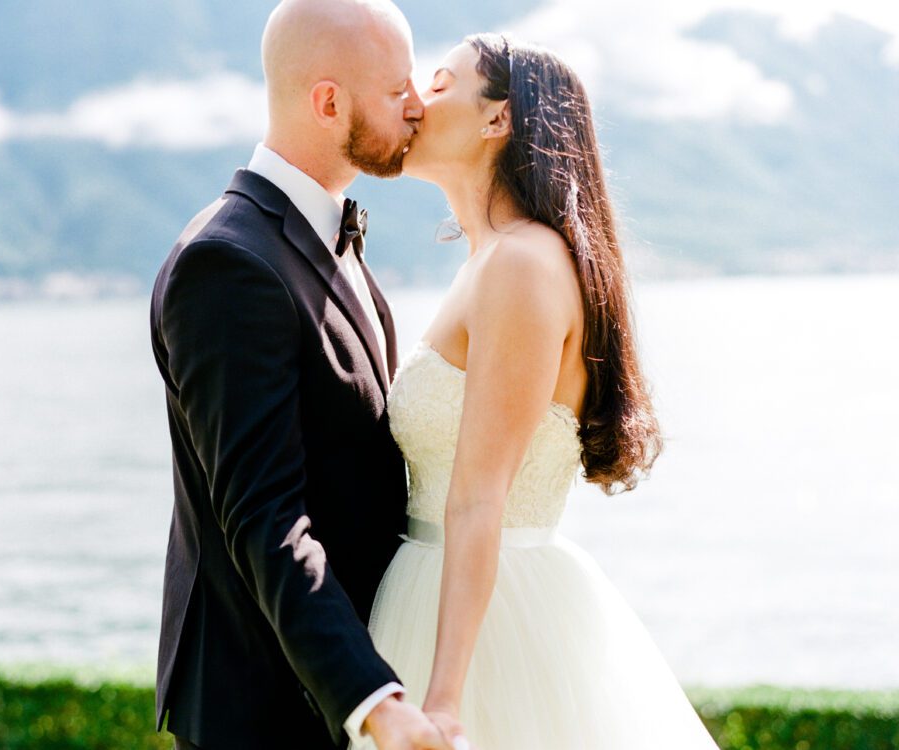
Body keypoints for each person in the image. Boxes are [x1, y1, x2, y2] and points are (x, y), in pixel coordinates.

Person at [351, 34, 721, 749]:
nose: (415, 102)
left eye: (439, 83)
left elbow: (479, 494)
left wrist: (447, 698)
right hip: (439, 592)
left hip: (485, 626)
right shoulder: (494, 259)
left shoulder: (520, 264)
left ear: (497, 120)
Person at [148, 1, 459, 748]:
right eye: (396, 90)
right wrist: (375, 703)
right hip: (265, 710)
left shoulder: (324, 233)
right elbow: (265, 518)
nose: (418, 106)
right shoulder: (228, 265)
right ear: (328, 102)